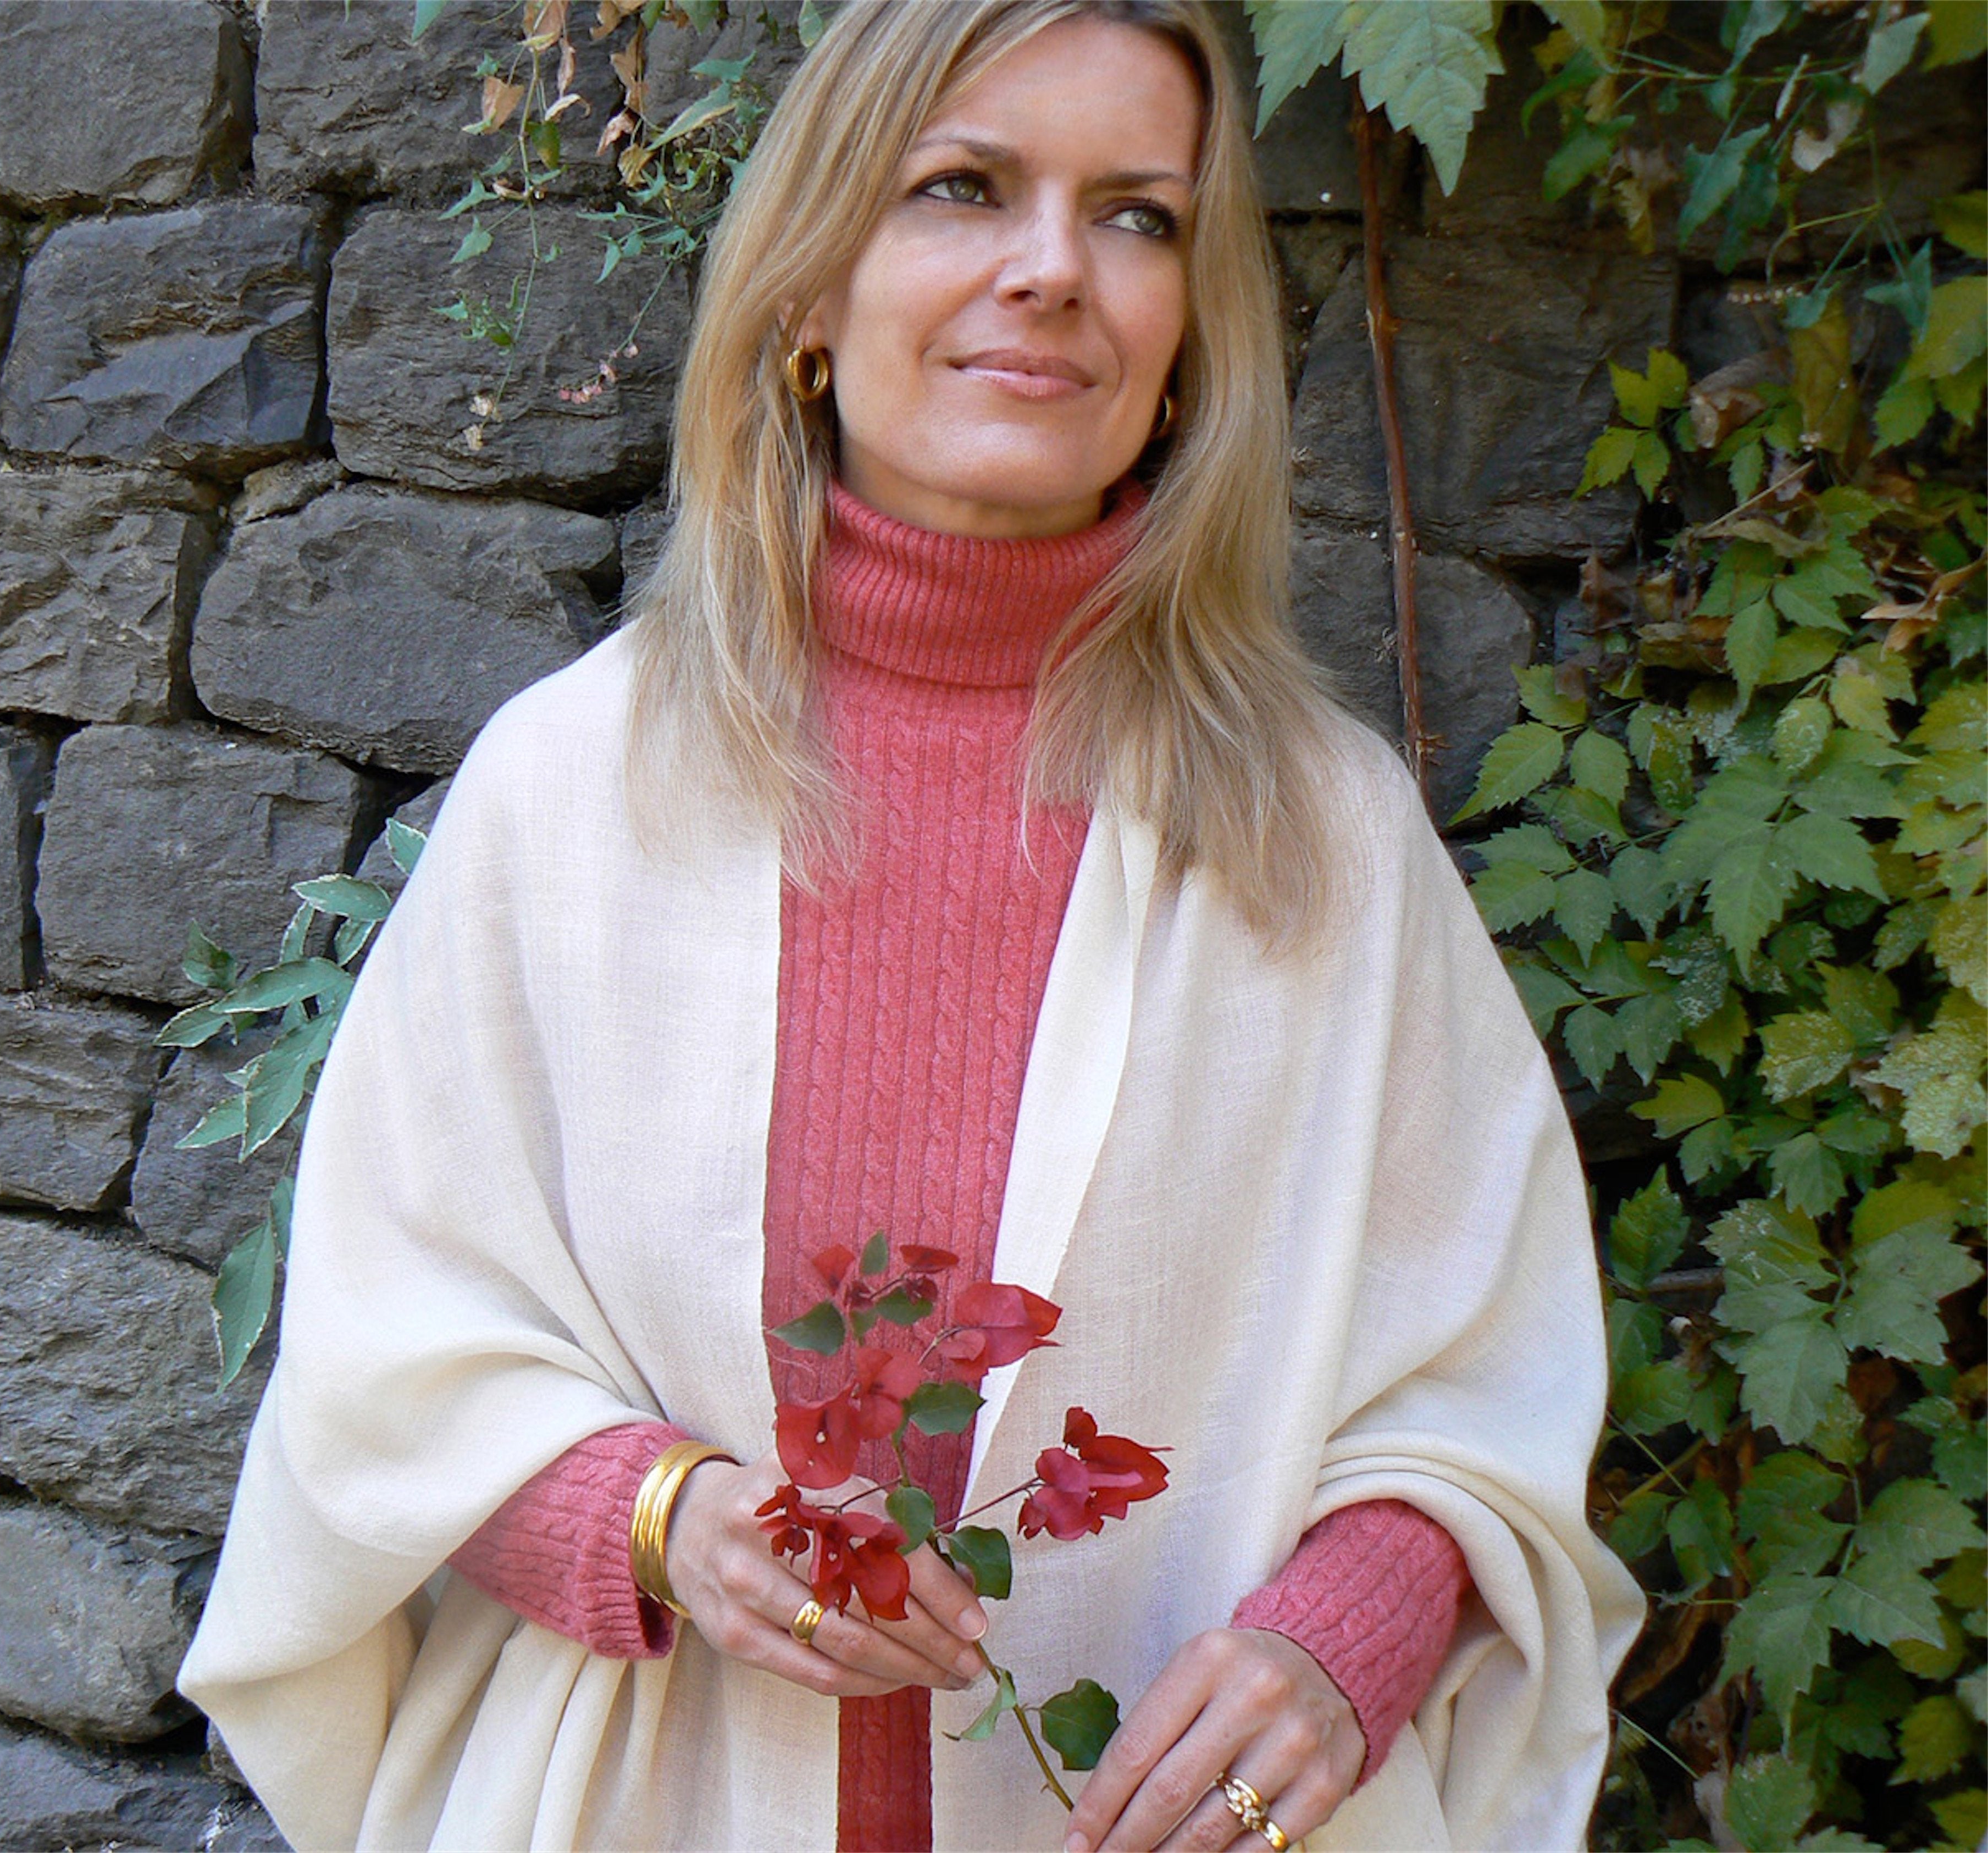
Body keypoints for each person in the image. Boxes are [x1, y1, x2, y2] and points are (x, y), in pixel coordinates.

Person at [176, 2, 1644, 1847]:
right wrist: (658, 1518)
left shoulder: (1320, 839)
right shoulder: (568, 794)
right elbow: (387, 1359)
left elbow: (1482, 1398)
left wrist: (1344, 1642)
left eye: (1137, 217)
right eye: (963, 188)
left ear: (1190, 337)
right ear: (806, 290)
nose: (1053, 270)